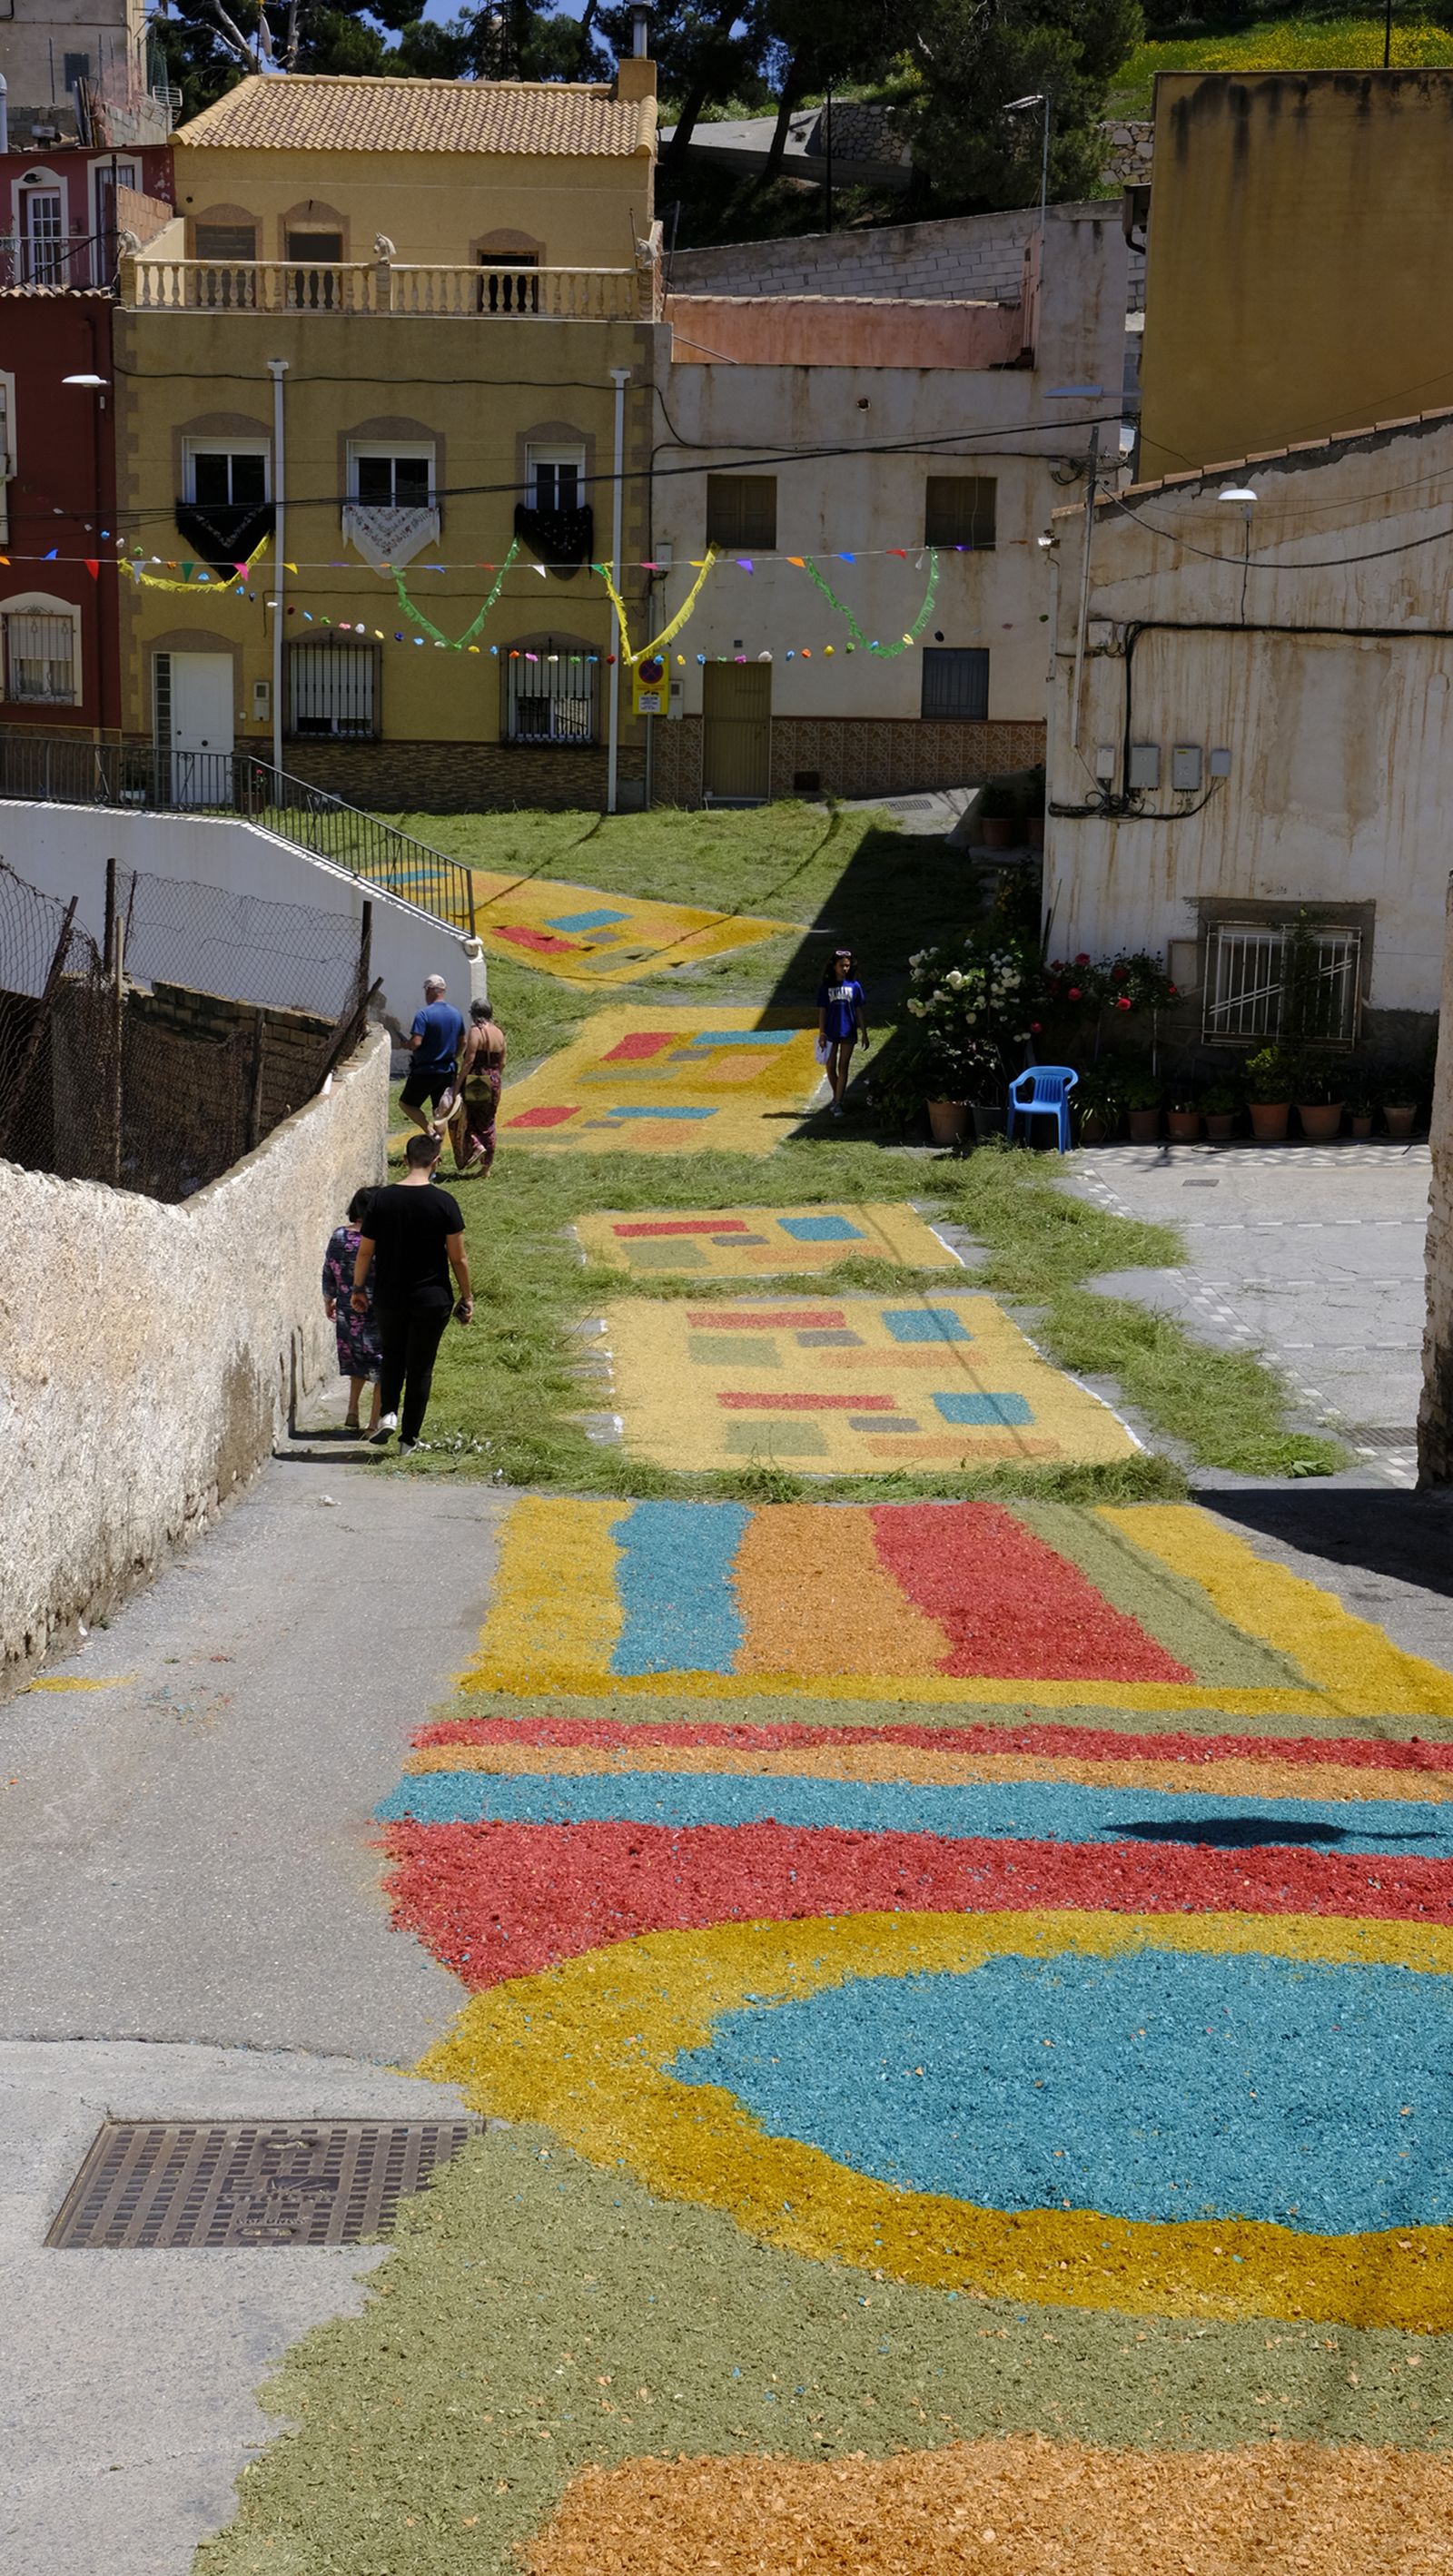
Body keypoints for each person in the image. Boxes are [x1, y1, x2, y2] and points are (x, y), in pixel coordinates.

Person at [352, 1132, 473, 1454]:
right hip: (432, 1298)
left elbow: (365, 1252)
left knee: (393, 1355)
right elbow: (458, 1257)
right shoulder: (445, 1202)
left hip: (389, 1296)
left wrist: (357, 1288)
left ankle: (388, 1413)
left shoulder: (380, 1200)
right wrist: (467, 1296)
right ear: (436, 1162)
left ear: (405, 1161)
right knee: (421, 1366)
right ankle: (409, 1441)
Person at [321, 1187, 382, 1433]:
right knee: (382, 1365)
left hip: (348, 1310)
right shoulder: (381, 1238)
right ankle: (373, 1424)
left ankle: (352, 1410)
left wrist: (329, 1299)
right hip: (377, 1309)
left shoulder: (338, 1236)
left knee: (357, 1360)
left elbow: (329, 1270)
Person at [400, 972, 466, 1137]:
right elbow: (463, 1042)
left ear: (429, 990)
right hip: (447, 1070)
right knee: (440, 1113)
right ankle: (436, 1152)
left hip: (425, 1071)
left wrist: (406, 1044)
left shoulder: (424, 1014)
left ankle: (430, 1133)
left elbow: (416, 1043)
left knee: (407, 1104)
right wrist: (454, 1057)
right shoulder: (456, 1014)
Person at [450, 998, 507, 1176]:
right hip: (495, 1079)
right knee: (488, 1122)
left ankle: (476, 1145)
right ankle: (486, 1167)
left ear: (475, 1014)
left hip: (477, 1080)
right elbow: (503, 1062)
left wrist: (457, 1086)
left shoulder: (476, 1032)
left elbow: (469, 1061)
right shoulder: (499, 1033)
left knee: (469, 1119)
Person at [816, 945, 869, 1116]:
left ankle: (838, 1101)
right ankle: (836, 1094)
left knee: (843, 1066)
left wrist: (864, 1032)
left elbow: (859, 1009)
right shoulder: (826, 987)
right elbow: (822, 1010)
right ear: (834, 966)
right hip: (831, 1032)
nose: (845, 968)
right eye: (841, 965)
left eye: (847, 965)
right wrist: (822, 1033)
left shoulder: (855, 986)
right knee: (830, 1066)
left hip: (848, 1031)